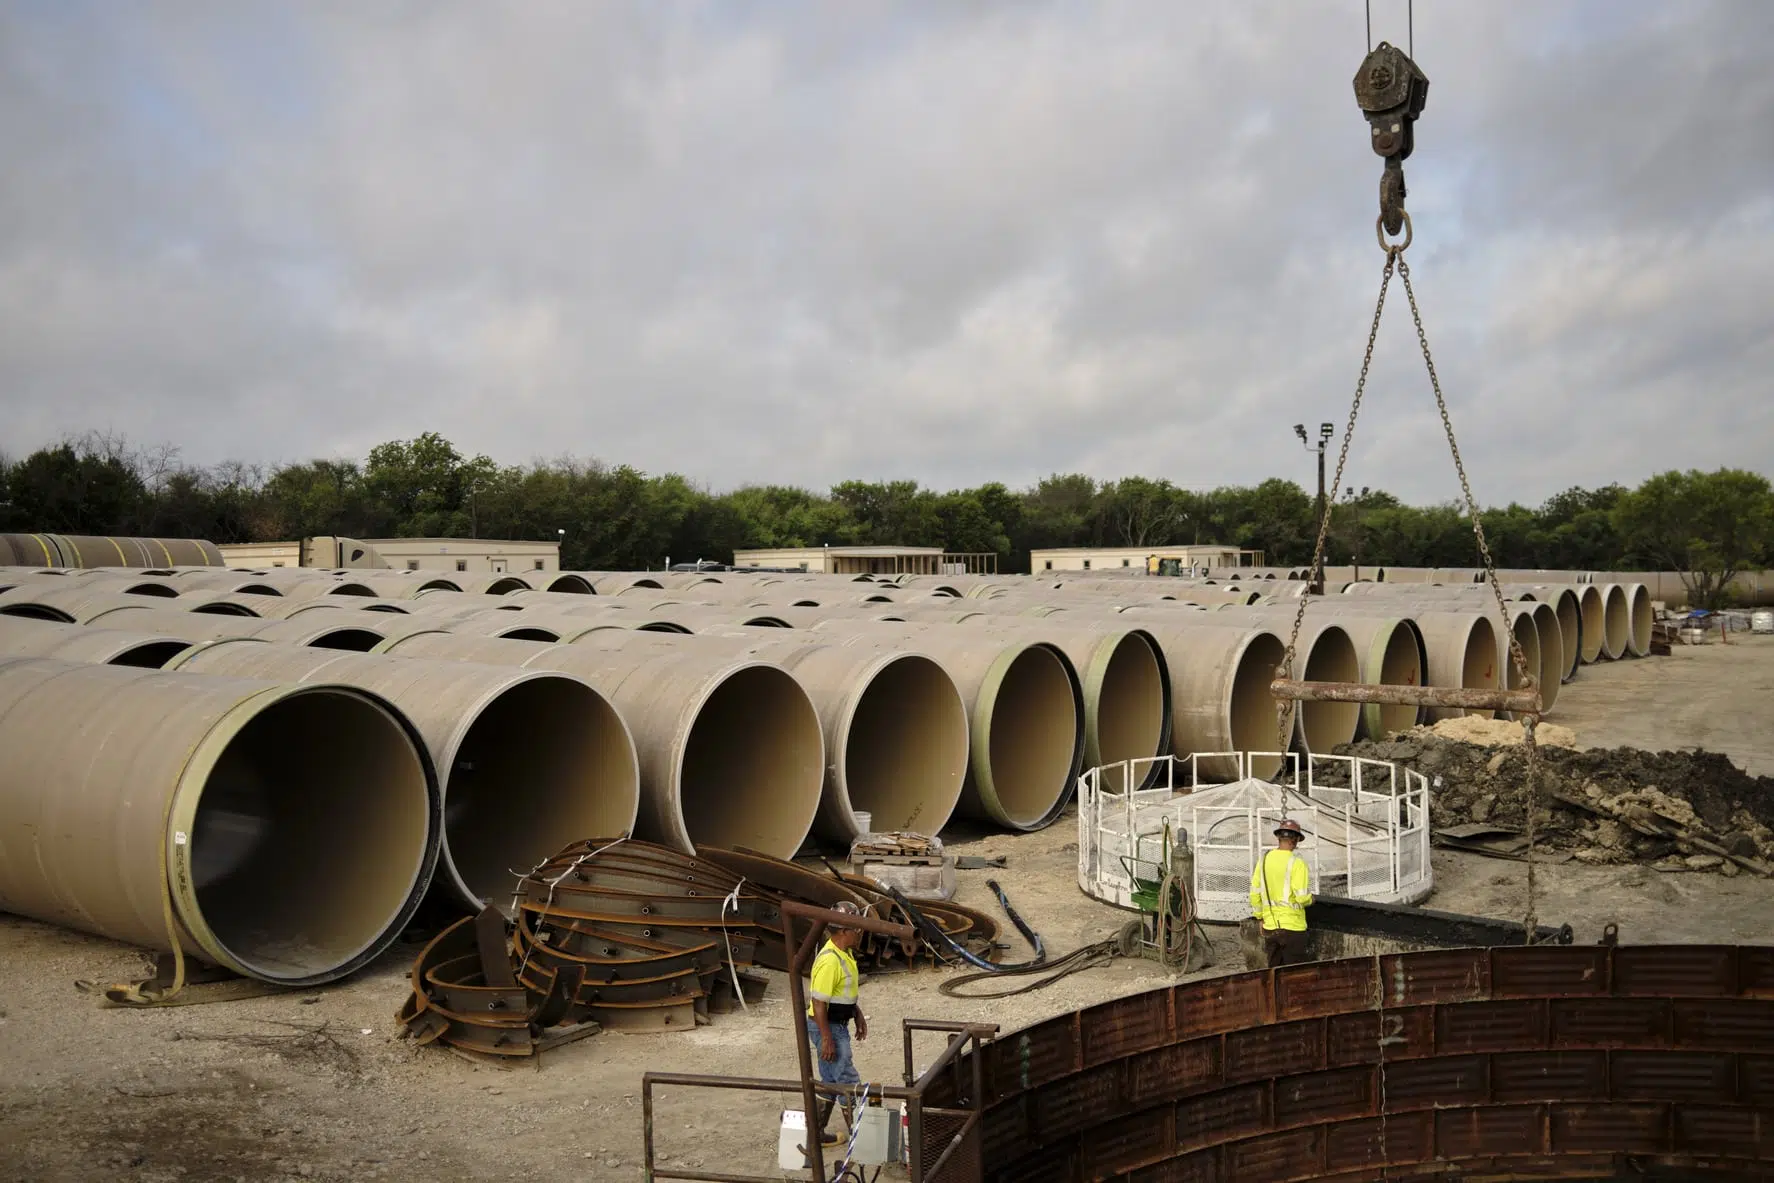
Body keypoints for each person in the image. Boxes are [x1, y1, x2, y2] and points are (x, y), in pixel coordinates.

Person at [806, 901, 869, 1146]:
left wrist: (857, 1013)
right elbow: (819, 1003)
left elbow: (840, 993)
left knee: (830, 1082)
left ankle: (817, 1135)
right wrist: (827, 1039)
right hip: (828, 1027)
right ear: (843, 932)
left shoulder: (845, 953)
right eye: (856, 929)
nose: (860, 932)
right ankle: (862, 1139)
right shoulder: (830, 960)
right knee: (846, 1079)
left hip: (834, 1023)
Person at [1249, 818, 1314, 967]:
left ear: (1279, 838)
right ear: (1296, 840)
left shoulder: (1264, 861)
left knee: (1274, 973)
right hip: (1293, 928)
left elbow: (1254, 894)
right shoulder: (1297, 863)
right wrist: (1312, 899)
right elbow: (1302, 898)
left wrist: (1260, 918)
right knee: (1293, 976)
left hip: (1270, 928)